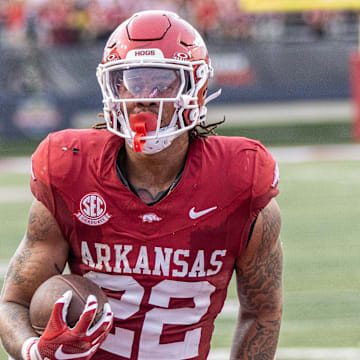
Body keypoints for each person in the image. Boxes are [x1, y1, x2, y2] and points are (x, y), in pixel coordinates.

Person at [0, 9, 283, 360]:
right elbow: (14, 301)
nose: (144, 96)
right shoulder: (70, 168)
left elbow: (262, 311)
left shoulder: (239, 180)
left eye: (162, 82)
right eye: (130, 81)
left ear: (195, 87)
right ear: (111, 87)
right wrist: (34, 350)